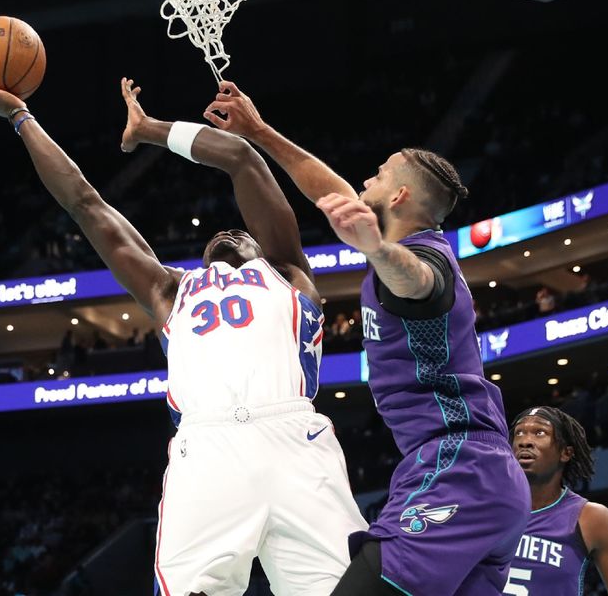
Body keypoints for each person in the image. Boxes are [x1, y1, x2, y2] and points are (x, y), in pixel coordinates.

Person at [0, 66, 366, 596]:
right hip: (206, 448)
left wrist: (151, 130)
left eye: (242, 231)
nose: (229, 231)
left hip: (296, 441)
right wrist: (19, 116)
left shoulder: (288, 273)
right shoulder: (170, 291)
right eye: (220, 234)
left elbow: (241, 159)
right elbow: (84, 204)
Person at [204, 82, 530, 595]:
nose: (364, 179)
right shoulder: (416, 240)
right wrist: (258, 131)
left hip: (458, 467)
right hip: (475, 475)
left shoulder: (425, 260)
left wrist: (377, 248)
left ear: (398, 196)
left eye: (378, 175)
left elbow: (416, 281)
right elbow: (325, 189)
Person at [509, 406, 608, 595]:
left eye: (539, 432)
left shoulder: (593, 519)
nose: (525, 442)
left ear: (566, 453)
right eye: (519, 433)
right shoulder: (487, 509)